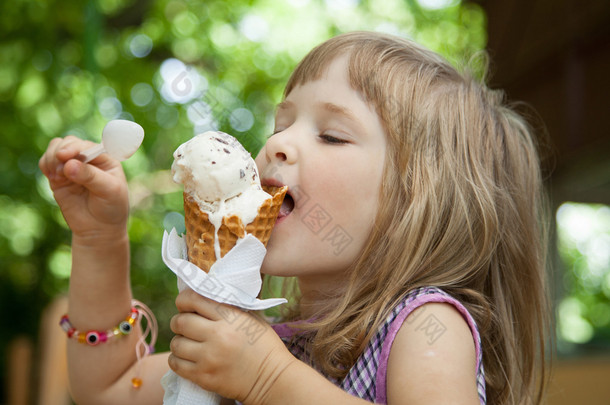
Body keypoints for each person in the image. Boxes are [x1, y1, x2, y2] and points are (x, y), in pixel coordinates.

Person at [39, 31, 550, 405]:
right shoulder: (265, 341)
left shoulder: (424, 325)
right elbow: (105, 389)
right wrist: (100, 238)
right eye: (281, 124)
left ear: (418, 202)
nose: (276, 144)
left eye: (330, 135)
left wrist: (266, 379)